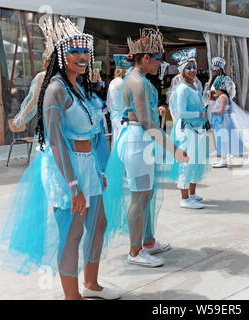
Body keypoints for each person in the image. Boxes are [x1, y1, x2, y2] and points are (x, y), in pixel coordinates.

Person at [0, 17, 121, 300]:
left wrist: (96, 168)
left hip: (87, 165)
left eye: (85, 50)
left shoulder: (79, 88)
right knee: (72, 234)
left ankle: (92, 285)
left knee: (98, 224)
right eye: (74, 51)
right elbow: (57, 143)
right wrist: (73, 186)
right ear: (60, 55)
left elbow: (91, 134)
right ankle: (72, 296)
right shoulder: (55, 89)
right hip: (65, 171)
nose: (82, 56)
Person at [104, 28, 189, 267]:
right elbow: (147, 122)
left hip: (141, 142)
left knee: (147, 194)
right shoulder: (136, 81)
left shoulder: (139, 78)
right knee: (139, 197)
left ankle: (148, 241)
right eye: (157, 58)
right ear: (145, 58)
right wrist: (174, 149)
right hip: (136, 142)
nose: (160, 63)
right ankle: (134, 251)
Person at [167, 48, 211, 209]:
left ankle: (192, 194)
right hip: (187, 129)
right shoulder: (182, 88)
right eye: (188, 68)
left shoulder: (193, 86)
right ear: (182, 71)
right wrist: (200, 113)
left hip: (197, 128)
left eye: (194, 67)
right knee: (187, 162)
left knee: (197, 161)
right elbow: (181, 112)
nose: (192, 70)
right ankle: (184, 198)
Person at [211, 75, 249, 168]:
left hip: (223, 121)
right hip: (224, 120)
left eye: (216, 89)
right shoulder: (224, 96)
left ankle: (224, 160)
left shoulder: (222, 97)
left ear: (221, 89)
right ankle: (224, 159)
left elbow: (221, 110)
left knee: (223, 140)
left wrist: (212, 111)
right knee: (224, 140)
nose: (215, 91)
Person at [107, 54, 132, 148]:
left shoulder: (112, 82)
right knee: (122, 141)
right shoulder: (123, 83)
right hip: (122, 116)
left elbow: (109, 102)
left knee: (115, 139)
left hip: (114, 115)